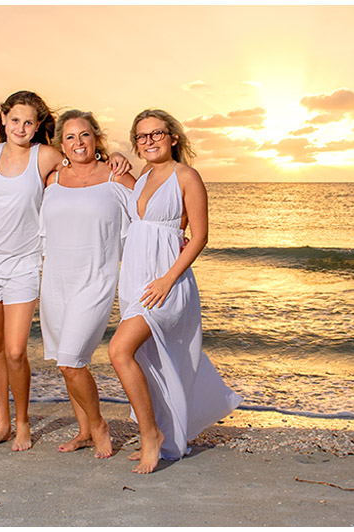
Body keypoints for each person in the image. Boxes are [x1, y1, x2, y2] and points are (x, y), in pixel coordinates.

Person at [0, 91, 131, 451]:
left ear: (39, 126)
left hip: (25, 263)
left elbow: (83, 160)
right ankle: (2, 424)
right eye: (15, 120)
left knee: (16, 351)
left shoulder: (46, 157)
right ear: (2, 119)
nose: (21, 127)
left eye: (29, 122)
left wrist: (116, 157)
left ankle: (25, 423)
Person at [108, 109, 242, 474]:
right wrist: (115, 158)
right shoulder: (143, 177)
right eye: (141, 136)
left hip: (167, 282)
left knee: (119, 351)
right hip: (136, 278)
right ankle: (163, 434)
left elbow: (199, 236)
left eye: (156, 134)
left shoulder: (187, 176)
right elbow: (106, 167)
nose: (149, 141)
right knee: (148, 359)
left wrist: (168, 279)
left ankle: (150, 435)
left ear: (173, 137)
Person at [39, 110, 136, 459]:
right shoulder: (51, 179)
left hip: (96, 279)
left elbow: (151, 211)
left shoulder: (116, 177)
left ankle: (98, 426)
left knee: (70, 360)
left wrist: (180, 235)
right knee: (67, 360)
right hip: (55, 282)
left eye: (84, 135)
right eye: (69, 137)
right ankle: (83, 431)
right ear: (60, 144)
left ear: (96, 139)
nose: (77, 143)